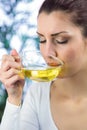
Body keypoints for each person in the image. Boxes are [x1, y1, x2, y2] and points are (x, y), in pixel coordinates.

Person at [0, 0, 87, 129]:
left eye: (60, 40)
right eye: (42, 40)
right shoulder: (38, 95)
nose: (47, 53)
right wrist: (14, 98)